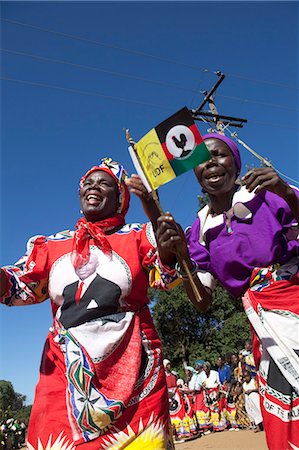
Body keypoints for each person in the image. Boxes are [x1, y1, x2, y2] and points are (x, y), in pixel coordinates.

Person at [0, 157, 178, 449]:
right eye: (88, 183)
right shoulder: (52, 245)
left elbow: (167, 276)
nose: (93, 187)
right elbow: (19, 287)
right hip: (65, 367)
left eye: (104, 183)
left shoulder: (139, 236)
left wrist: (169, 250)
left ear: (121, 196)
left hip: (135, 364)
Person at [150, 132, 299, 450]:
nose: (210, 164)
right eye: (201, 160)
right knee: (287, 415)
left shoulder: (268, 195)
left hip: (296, 298)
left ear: (236, 162)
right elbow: (203, 301)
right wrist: (182, 257)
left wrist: (286, 191)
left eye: (219, 155)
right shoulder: (200, 230)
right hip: (266, 329)